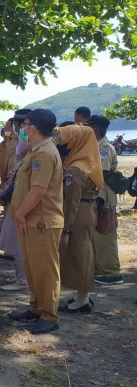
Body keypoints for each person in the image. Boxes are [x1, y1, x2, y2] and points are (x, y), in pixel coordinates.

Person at [6, 109, 64, 334]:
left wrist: (20, 214)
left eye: (26, 124)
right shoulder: (35, 150)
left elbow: (38, 191)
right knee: (32, 268)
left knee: (45, 271)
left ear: (35, 127)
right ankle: (36, 307)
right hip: (30, 220)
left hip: (42, 221)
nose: (22, 127)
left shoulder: (45, 153)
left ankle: (49, 316)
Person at [55, 124, 103, 314]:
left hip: (79, 213)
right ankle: (82, 296)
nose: (63, 142)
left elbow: (72, 202)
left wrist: (66, 229)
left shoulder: (75, 169)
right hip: (89, 210)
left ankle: (82, 299)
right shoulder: (90, 161)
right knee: (86, 251)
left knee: (80, 255)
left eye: (67, 138)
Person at [0, 109, 31, 290]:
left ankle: (22, 280)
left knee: (20, 240)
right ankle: (23, 278)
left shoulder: (26, 139)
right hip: (16, 191)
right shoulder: (18, 139)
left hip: (22, 196)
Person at [89, 115, 124, 285]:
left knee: (105, 236)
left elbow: (100, 174)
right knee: (96, 237)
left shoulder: (104, 148)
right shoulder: (96, 146)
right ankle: (100, 270)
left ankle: (111, 273)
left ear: (95, 129)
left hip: (104, 198)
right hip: (98, 196)